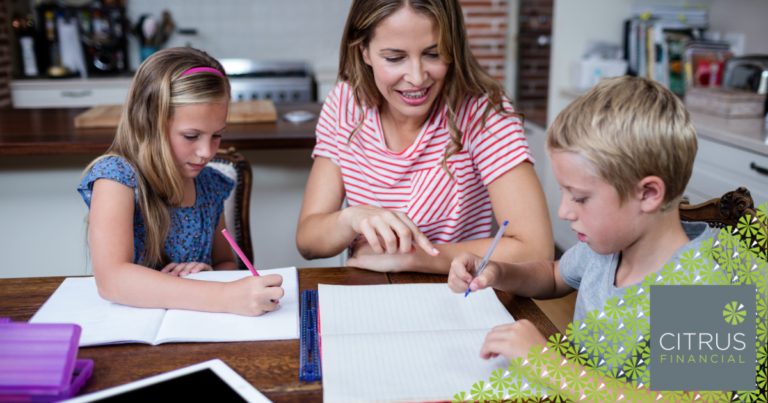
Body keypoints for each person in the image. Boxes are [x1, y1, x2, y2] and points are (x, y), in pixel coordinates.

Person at [448, 76, 707, 365]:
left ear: (647, 194)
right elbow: (553, 276)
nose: (564, 212)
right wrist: (498, 272)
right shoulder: (607, 249)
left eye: (580, 198)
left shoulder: (703, 292)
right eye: (564, 193)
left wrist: (552, 367)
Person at [296, 0, 553, 274]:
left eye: (434, 54)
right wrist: (350, 219)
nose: (417, 78)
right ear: (364, 51)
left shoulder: (482, 111)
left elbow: (536, 250)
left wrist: (422, 257)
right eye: (395, 58)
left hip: (458, 296)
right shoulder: (345, 104)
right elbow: (308, 242)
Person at [78, 48, 283, 317]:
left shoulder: (209, 184)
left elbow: (224, 262)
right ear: (149, 122)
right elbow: (112, 280)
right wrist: (221, 296)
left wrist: (210, 274)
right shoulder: (116, 178)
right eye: (190, 136)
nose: (207, 152)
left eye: (217, 135)